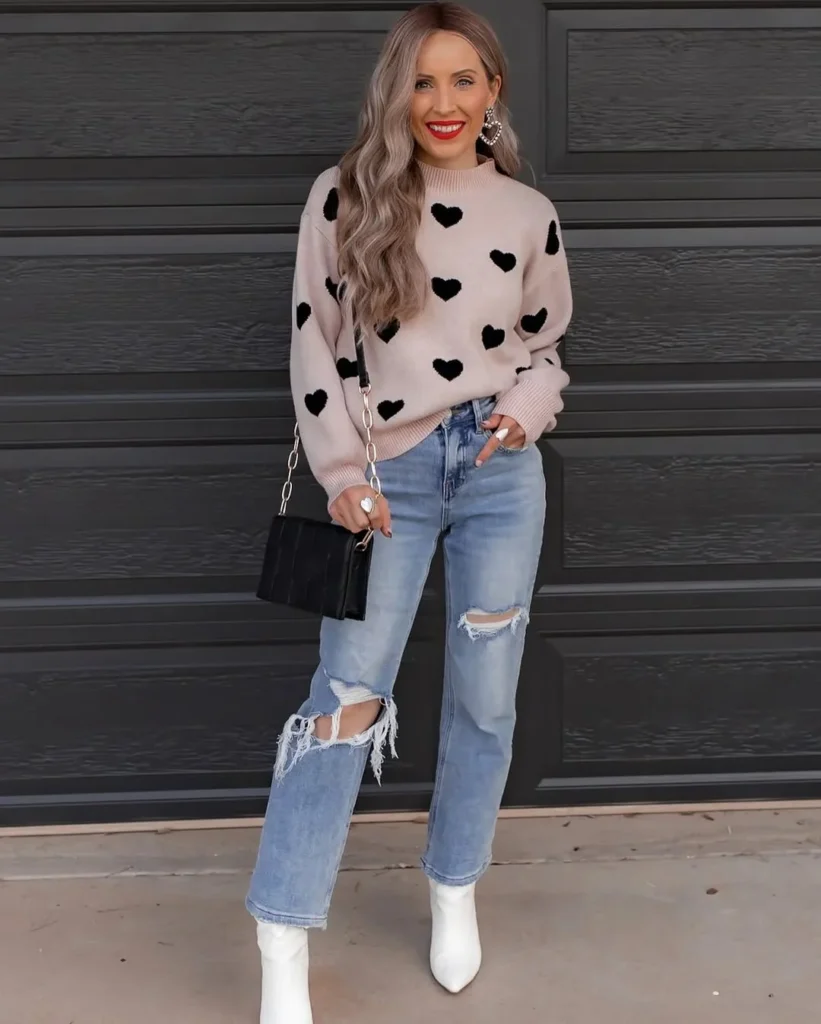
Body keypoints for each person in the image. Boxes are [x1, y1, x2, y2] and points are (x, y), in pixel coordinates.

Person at [246, 3, 572, 1020]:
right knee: (345, 698)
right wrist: (341, 471)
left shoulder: (526, 212)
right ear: (396, 92)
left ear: (493, 90)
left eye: (462, 79)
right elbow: (314, 344)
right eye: (421, 81)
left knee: (486, 697)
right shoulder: (344, 196)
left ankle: (453, 885)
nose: (442, 102)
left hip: (497, 471)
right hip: (385, 477)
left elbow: (542, 347)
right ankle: (282, 931)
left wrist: (524, 410)